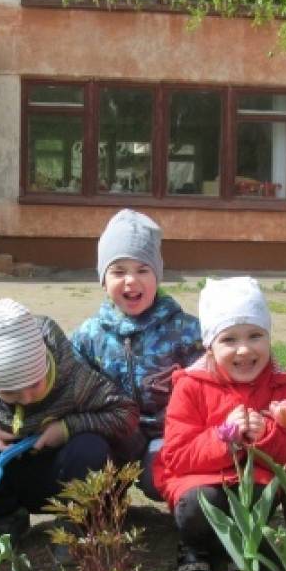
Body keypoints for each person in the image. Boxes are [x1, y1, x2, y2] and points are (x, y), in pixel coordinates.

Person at [0, 298, 140, 551]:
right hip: (12, 475)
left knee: (90, 447)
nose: (27, 398)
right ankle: (9, 515)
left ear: (46, 366)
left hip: (62, 473)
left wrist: (68, 428)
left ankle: (78, 521)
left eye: (35, 385)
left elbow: (126, 413)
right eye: (12, 393)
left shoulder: (74, 380)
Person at [154, 277, 286, 571]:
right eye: (229, 339)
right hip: (200, 480)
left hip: (254, 483)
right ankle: (194, 547)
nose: (244, 350)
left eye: (255, 335)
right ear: (210, 347)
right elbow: (176, 456)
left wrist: (266, 436)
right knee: (202, 504)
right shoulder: (189, 387)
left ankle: (241, 548)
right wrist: (224, 438)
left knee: (255, 497)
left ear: (269, 338)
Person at [71, 209, 203, 500]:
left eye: (142, 270)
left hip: (166, 436)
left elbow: (211, 383)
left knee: (162, 478)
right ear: (103, 280)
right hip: (111, 436)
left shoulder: (188, 332)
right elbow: (70, 389)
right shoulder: (88, 336)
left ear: (158, 275)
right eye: (118, 271)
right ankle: (103, 512)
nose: (131, 281)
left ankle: (185, 514)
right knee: (82, 461)